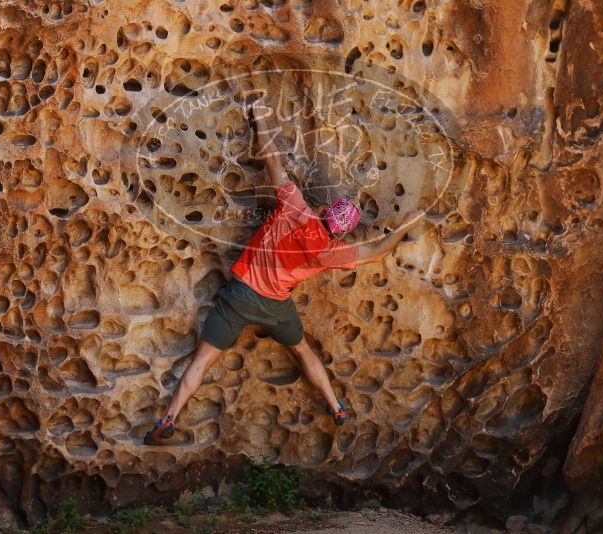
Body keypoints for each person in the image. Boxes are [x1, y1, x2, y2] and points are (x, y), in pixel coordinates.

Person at [144, 99, 425, 445]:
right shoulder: (330, 252)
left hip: (239, 295)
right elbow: (378, 251)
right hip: (276, 307)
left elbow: (272, 160)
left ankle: (169, 418)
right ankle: (336, 406)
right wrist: (405, 224)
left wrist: (261, 115)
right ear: (342, 231)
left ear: (325, 210)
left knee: (202, 359)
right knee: (303, 351)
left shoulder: (295, 209)